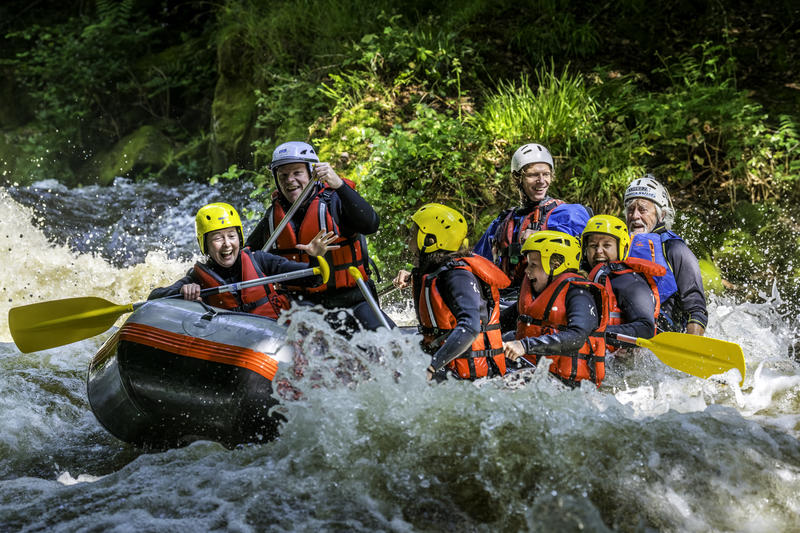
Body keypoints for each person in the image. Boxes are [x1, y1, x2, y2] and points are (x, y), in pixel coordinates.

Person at [244, 141, 393, 331]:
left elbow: (371, 224)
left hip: (353, 299)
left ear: (312, 172)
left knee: (393, 345)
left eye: (297, 173)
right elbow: (247, 257)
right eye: (283, 175)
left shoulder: (336, 201)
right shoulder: (274, 217)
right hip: (302, 304)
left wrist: (339, 184)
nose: (289, 180)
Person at [148, 202, 337, 317]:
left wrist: (315, 258)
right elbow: (153, 299)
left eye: (231, 236)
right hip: (234, 346)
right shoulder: (198, 278)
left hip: (272, 335)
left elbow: (314, 279)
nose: (227, 244)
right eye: (217, 238)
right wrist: (182, 291)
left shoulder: (260, 261)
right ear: (205, 244)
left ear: (240, 238)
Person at [392, 203, 511, 381]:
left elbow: (470, 326)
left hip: (470, 377)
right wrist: (412, 277)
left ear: (430, 241)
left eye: (412, 235)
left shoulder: (458, 277)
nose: (409, 242)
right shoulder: (441, 271)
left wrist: (432, 366)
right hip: (448, 365)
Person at [473, 142, 590, 295]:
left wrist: (540, 239)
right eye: (533, 175)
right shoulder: (502, 222)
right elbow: (478, 261)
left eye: (546, 174)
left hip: (549, 297)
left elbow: (581, 254)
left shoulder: (567, 214)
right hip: (504, 299)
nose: (541, 181)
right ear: (518, 178)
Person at [502, 231, 608, 387]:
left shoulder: (579, 294)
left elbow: (577, 337)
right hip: (534, 377)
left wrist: (524, 345)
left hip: (571, 389)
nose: (527, 271)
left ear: (556, 265)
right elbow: (499, 323)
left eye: (533, 265)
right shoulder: (535, 297)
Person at [624, 174, 707, 335]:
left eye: (642, 209)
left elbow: (696, 307)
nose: (634, 216)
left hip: (665, 331)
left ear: (661, 215)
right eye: (630, 210)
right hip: (627, 331)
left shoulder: (674, 248)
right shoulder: (617, 246)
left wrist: (692, 345)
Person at [581, 214, 665, 348]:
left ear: (622, 248)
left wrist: (595, 334)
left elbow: (646, 329)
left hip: (625, 363)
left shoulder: (631, 283)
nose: (598, 251)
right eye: (593, 245)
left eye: (607, 245)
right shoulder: (582, 277)